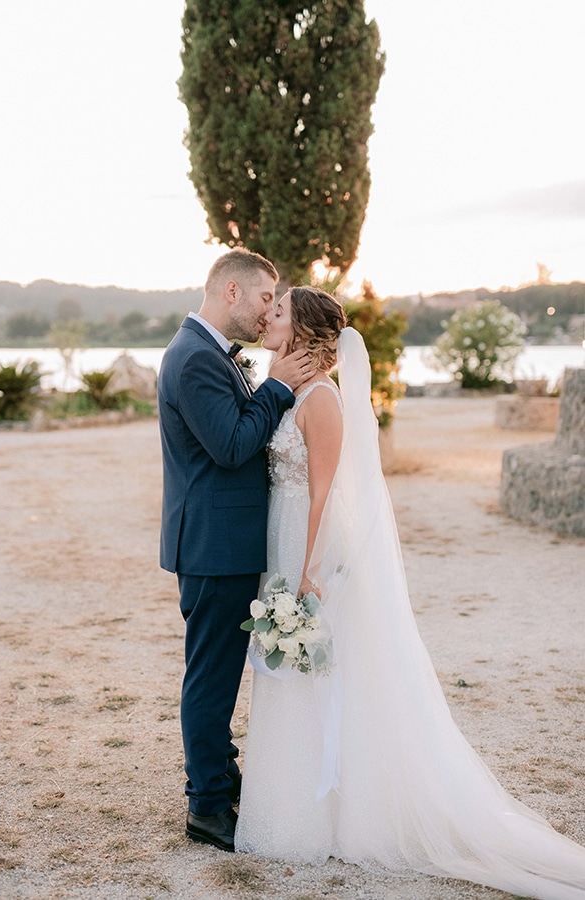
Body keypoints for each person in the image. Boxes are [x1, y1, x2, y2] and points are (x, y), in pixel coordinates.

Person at [235, 286, 585, 899]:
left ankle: (330, 813)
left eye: (281, 311)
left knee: (320, 673)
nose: (269, 317)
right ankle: (293, 809)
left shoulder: (321, 400)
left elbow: (323, 494)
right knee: (294, 673)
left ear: (306, 331)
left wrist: (310, 570)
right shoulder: (291, 392)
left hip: (305, 547)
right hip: (281, 542)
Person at [157, 249, 314, 853]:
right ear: (230, 291)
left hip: (223, 541)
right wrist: (276, 388)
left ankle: (222, 775)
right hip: (214, 545)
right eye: (264, 299)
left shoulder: (208, 353)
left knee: (217, 671)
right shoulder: (194, 358)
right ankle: (207, 806)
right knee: (212, 679)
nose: (269, 311)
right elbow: (229, 446)